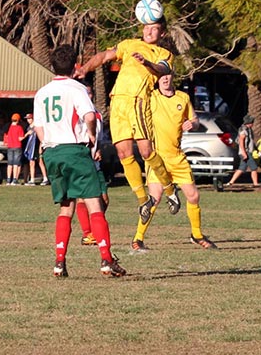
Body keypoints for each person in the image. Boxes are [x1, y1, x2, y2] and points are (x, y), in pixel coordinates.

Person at [75, 15, 180, 222]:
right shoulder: (129, 44)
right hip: (118, 103)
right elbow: (105, 56)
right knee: (124, 154)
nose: (149, 32)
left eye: (155, 29)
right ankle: (143, 200)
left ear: (162, 33)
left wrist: (146, 62)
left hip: (138, 102)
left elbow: (161, 70)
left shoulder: (164, 53)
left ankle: (169, 189)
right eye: (147, 27)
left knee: (146, 151)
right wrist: (84, 69)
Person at [33, 45, 125, 278]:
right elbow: (89, 115)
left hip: (52, 152)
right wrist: (92, 134)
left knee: (66, 207)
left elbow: (39, 127)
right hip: (74, 150)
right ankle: (106, 259)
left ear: (53, 66)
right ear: (75, 66)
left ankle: (59, 262)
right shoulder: (77, 88)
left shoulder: (42, 92)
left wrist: (47, 145)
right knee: (95, 204)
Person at [132, 73, 217, 252]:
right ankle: (137, 238)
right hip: (157, 158)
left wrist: (192, 125)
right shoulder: (151, 97)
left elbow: (195, 120)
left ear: (173, 77)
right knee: (154, 199)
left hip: (177, 156)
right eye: (161, 75)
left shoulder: (183, 98)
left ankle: (197, 235)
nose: (164, 79)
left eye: (167, 75)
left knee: (193, 196)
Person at [75, 85, 110, 246]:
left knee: (104, 199)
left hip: (95, 163)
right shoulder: (76, 114)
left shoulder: (98, 115)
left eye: (89, 92)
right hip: (82, 161)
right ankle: (88, 233)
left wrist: (99, 149)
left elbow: (99, 138)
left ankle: (94, 231)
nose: (87, 95)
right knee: (83, 198)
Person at [226, 114, 260, 187]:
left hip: (247, 151)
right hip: (245, 152)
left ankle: (230, 182)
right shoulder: (243, 130)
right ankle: (255, 183)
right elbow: (241, 142)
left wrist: (256, 149)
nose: (253, 124)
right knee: (254, 168)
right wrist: (244, 153)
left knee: (241, 168)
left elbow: (251, 141)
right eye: (252, 122)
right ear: (248, 123)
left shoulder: (249, 130)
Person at [22, 113, 48, 186]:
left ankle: (45, 178)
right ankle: (32, 179)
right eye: (27, 119)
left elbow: (40, 138)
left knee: (40, 162)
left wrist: (40, 147)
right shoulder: (28, 127)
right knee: (31, 163)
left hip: (36, 146)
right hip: (31, 147)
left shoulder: (37, 127)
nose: (28, 120)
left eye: (30, 118)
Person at [4, 113, 25, 185]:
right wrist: (27, 135)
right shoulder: (19, 128)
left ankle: (8, 179)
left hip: (10, 147)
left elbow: (5, 138)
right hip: (17, 146)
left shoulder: (8, 127)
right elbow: (20, 138)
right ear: (18, 120)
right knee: (16, 163)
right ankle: (14, 179)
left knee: (10, 164)